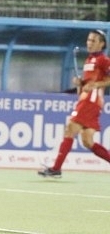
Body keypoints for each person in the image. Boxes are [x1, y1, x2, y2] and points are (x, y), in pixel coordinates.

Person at [38, 29, 110, 178]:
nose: (89, 43)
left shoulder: (104, 60)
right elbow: (86, 84)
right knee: (87, 141)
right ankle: (56, 169)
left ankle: (56, 169)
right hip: (87, 99)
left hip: (92, 101)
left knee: (70, 129)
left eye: (93, 41)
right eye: (88, 40)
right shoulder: (89, 60)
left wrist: (95, 85)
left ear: (102, 44)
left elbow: (104, 80)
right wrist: (80, 83)